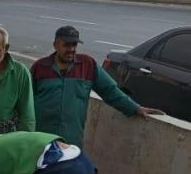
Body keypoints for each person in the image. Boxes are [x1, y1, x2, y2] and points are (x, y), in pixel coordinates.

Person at [31, 26, 163, 147]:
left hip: (71, 141)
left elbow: (110, 90)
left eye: (74, 45)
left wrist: (135, 108)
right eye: (66, 45)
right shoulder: (40, 68)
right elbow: (25, 100)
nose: (71, 49)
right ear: (55, 45)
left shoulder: (87, 65)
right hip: (41, 139)